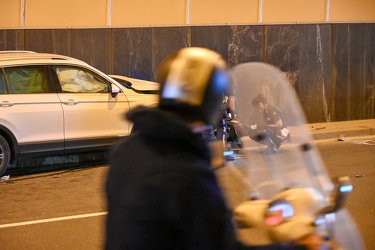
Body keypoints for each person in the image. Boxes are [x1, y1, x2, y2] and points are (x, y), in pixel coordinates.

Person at [105, 47, 323, 250]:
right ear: (211, 100)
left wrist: (223, 217)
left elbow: (165, 219)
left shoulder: (125, 151)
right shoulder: (187, 172)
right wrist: (300, 246)